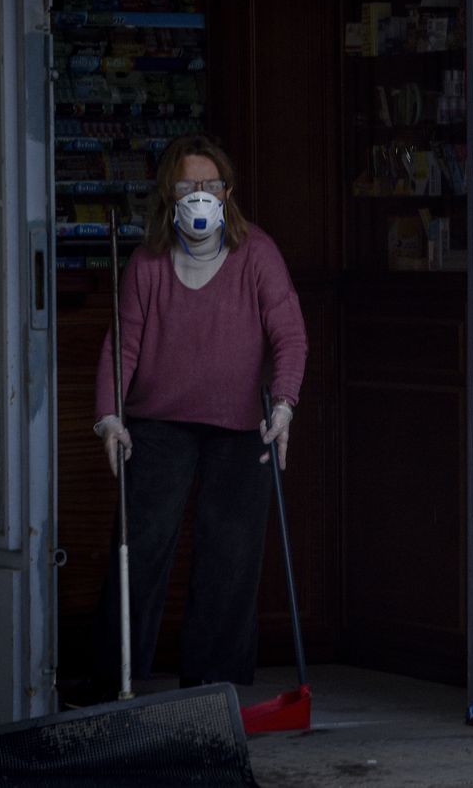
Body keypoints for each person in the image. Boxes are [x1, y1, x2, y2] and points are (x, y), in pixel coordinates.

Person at [89, 133, 308, 696]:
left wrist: (283, 405)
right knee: (140, 550)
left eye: (211, 185)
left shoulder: (257, 253)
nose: (200, 196)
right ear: (168, 194)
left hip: (241, 427)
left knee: (230, 557)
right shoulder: (148, 264)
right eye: (188, 185)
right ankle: (118, 680)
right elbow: (124, 346)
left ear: (229, 193)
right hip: (159, 423)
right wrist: (110, 418)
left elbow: (289, 334)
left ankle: (215, 685)